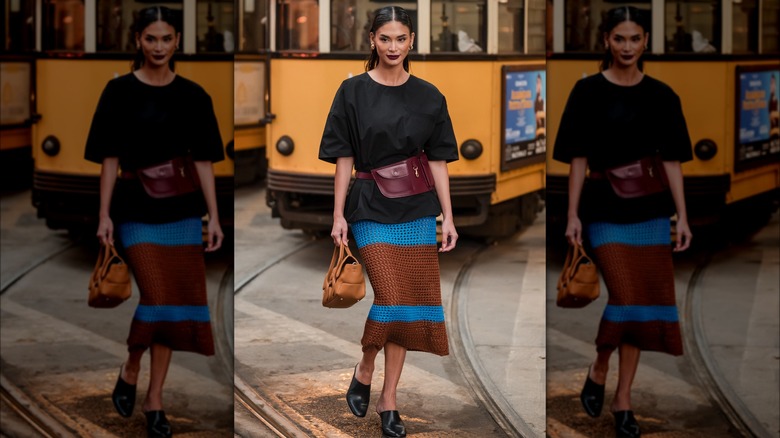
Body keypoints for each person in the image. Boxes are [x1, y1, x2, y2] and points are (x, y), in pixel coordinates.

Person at [84, 6, 225, 437]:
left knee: (176, 306)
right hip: (134, 209)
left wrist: (214, 216)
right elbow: (109, 159)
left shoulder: (195, 96)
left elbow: (203, 161)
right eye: (151, 39)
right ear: (138, 41)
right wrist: (104, 215)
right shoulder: (119, 91)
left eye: (166, 39)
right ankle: (131, 365)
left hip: (182, 211)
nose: (159, 47)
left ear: (177, 42)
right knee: (159, 298)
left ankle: (155, 398)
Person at [318, 6, 459, 437]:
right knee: (394, 296)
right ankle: (365, 366)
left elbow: (437, 161)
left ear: (412, 41)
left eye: (401, 39)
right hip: (369, 205)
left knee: (411, 303)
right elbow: (343, 158)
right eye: (385, 39)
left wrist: (448, 216)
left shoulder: (431, 95)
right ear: (373, 41)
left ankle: (389, 399)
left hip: (417, 208)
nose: (393, 47)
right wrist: (338, 213)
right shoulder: (352, 91)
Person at [552, 6, 693, 438]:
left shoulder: (663, 95)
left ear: (646, 42)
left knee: (645, 306)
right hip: (603, 209)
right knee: (627, 298)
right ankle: (599, 365)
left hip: (651, 210)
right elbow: (577, 159)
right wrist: (573, 214)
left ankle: (623, 398)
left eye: (635, 39)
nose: (627, 47)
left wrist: (682, 215)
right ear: (607, 41)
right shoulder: (588, 91)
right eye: (619, 39)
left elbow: (671, 161)